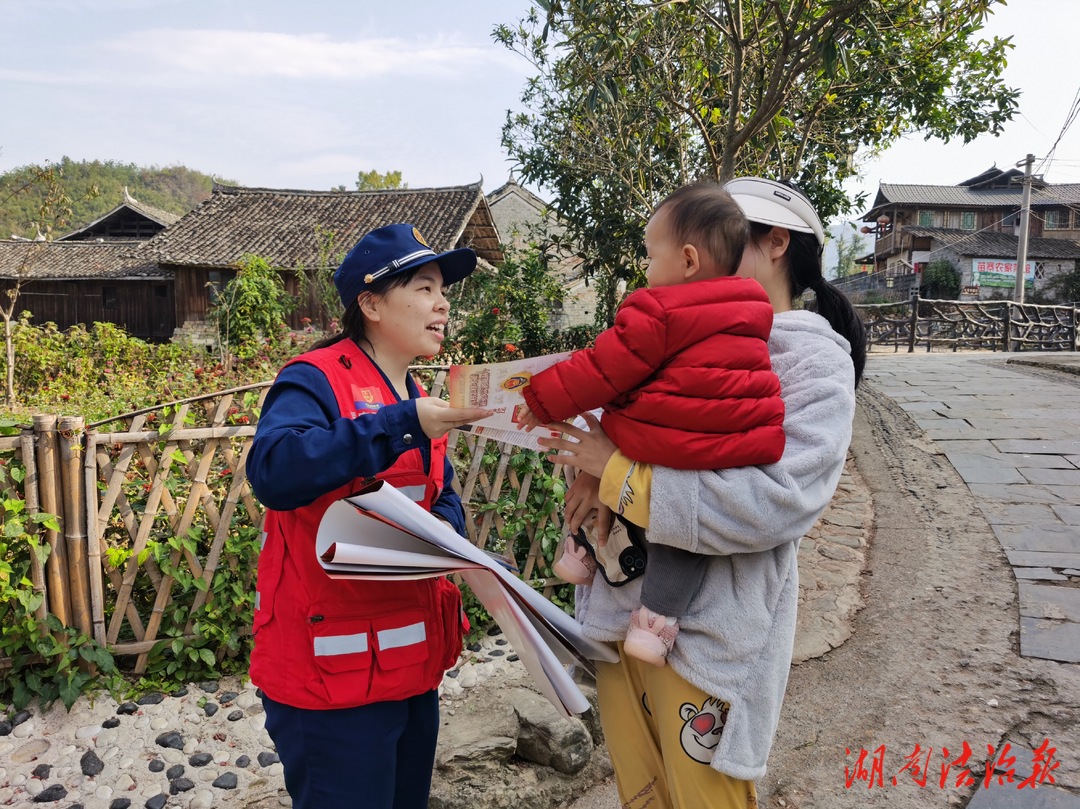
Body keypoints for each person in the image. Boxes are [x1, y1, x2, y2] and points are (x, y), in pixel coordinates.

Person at [536, 177, 867, 809]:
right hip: (618, 614)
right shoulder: (674, 326)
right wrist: (598, 462)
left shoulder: (812, 362)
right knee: (642, 793)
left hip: (709, 636)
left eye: (726, 234)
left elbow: (780, 501)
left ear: (775, 244)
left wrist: (617, 473)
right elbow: (627, 418)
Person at [246, 223, 493, 809]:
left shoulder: (415, 391)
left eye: (444, 290)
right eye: (425, 287)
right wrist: (400, 423)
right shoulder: (315, 378)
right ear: (371, 303)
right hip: (329, 682)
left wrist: (452, 541)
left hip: (409, 669)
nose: (443, 303)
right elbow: (274, 470)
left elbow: (440, 496)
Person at [517, 182, 785, 667]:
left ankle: (580, 554)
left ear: (686, 260)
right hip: (732, 444)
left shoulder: (657, 309)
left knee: (616, 445)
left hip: (664, 435)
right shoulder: (753, 309)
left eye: (648, 255)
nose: (644, 268)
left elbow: (602, 367)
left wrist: (541, 397)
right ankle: (657, 624)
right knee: (684, 531)